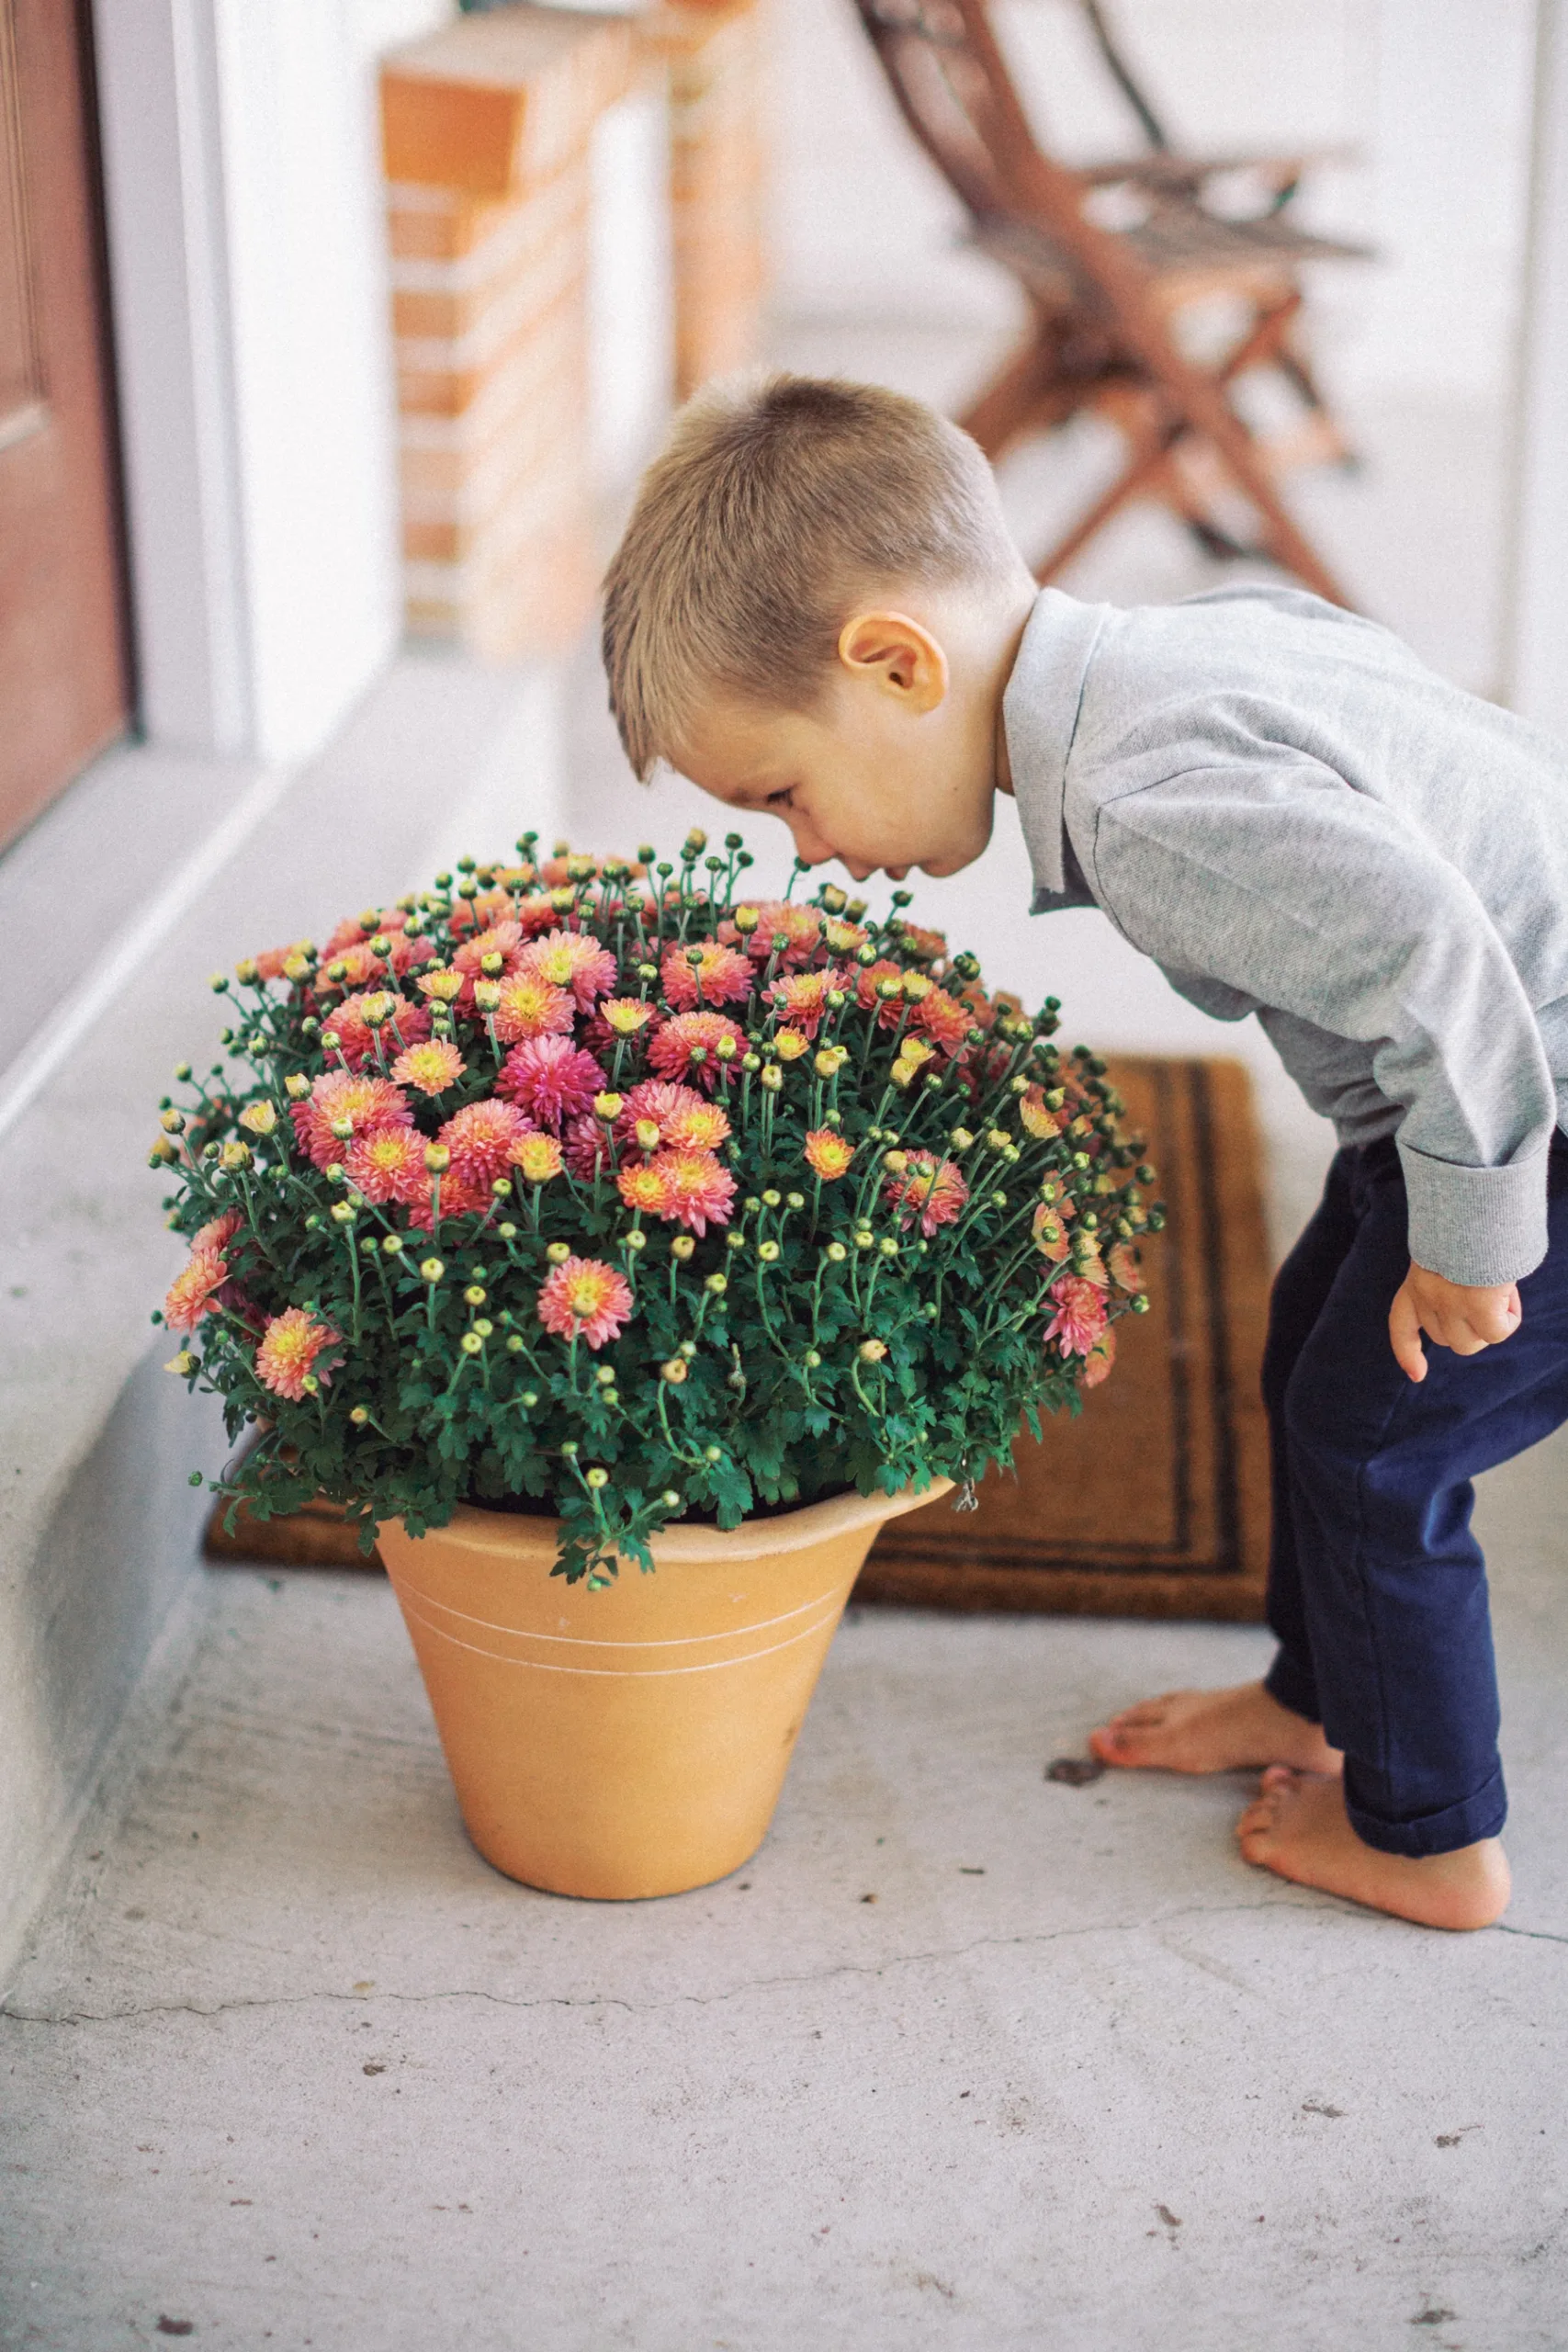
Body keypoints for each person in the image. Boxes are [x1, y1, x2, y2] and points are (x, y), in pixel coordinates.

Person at [600, 372, 1568, 1931]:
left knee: (1381, 1443)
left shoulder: (1142, 797)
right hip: (1462, 1096)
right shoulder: (1169, 652)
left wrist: (1471, 1237)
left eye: (784, 793)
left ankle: (1427, 1836)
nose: (815, 848)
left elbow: (1441, 968)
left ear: (895, 662)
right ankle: (1317, 1697)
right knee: (1309, 1355)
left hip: (1527, 1112)